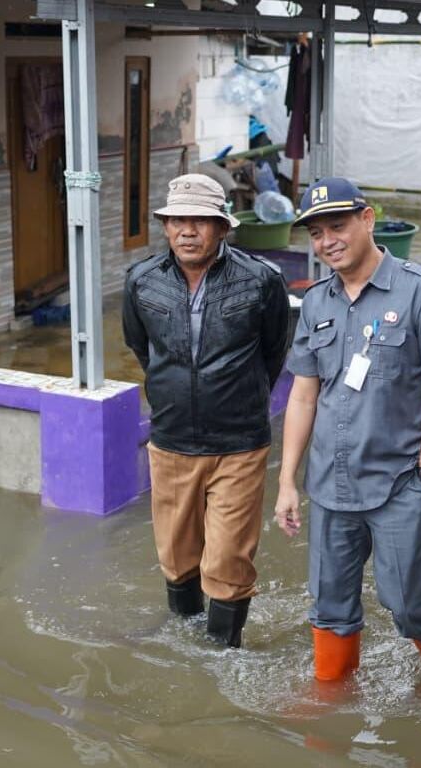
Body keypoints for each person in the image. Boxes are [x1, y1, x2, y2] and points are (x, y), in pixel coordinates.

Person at [273, 177, 421, 688]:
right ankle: (330, 695)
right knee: (330, 604)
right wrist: (287, 481)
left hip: (399, 482)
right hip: (331, 485)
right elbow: (303, 396)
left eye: (337, 227)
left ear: (367, 219)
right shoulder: (316, 302)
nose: (327, 242)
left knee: (408, 602)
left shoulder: (420, 291)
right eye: (316, 233)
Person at [122, 173, 290, 648]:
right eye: (177, 220)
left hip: (239, 443)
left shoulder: (261, 281)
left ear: (222, 227)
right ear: (165, 226)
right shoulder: (142, 281)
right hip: (172, 439)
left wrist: (236, 397)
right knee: (177, 555)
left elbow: (273, 352)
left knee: (228, 559)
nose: (188, 231)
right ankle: (184, 636)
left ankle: (220, 653)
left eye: (200, 220)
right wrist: (177, 392)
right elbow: (143, 349)